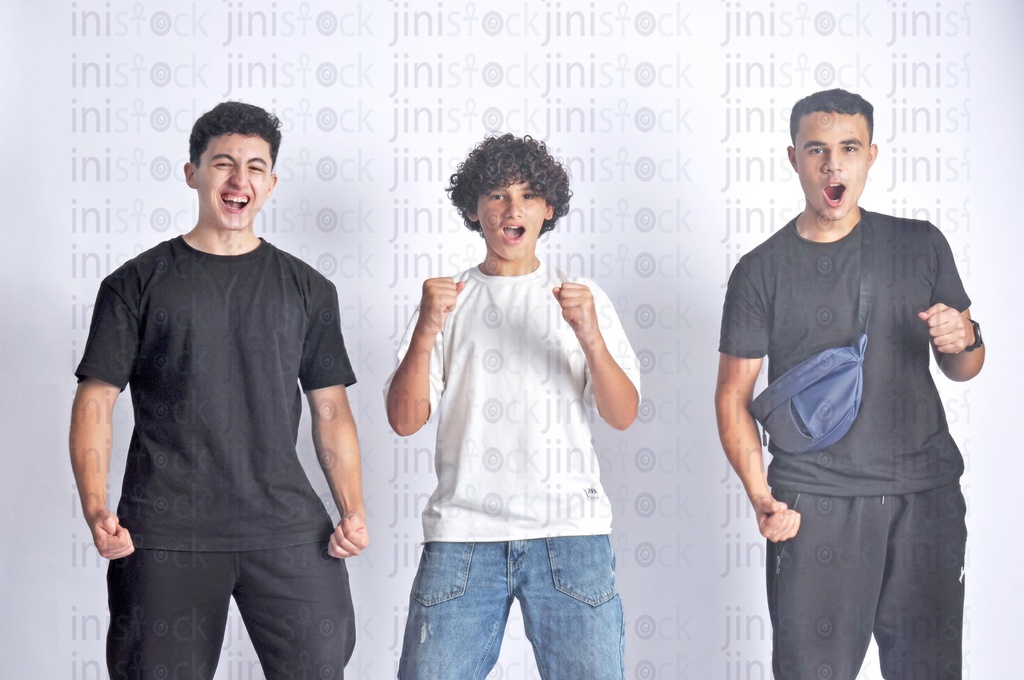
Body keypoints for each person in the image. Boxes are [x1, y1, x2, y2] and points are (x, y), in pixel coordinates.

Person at [69, 101, 369, 679]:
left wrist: (353, 509)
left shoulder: (309, 289)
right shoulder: (134, 283)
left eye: (256, 167)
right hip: (164, 533)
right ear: (193, 173)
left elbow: (330, 409)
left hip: (286, 529)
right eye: (223, 164)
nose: (239, 180)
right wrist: (95, 506)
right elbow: (96, 401)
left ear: (272, 183)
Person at [715, 88, 984, 679]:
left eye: (848, 148)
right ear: (793, 159)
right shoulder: (761, 270)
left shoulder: (920, 244)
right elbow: (732, 398)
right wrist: (762, 496)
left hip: (927, 497)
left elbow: (964, 366)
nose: (833, 164)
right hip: (815, 502)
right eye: (817, 149)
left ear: (871, 156)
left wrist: (965, 339)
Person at [384, 133, 641, 679]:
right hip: (463, 537)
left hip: (571, 534)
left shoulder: (581, 296)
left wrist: (590, 335)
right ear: (475, 209)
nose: (512, 208)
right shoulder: (447, 299)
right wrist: (428, 327)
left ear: (548, 208)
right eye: (497, 195)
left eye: (527, 195)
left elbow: (622, 415)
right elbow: (404, 421)